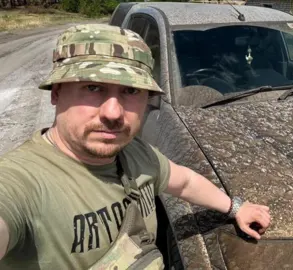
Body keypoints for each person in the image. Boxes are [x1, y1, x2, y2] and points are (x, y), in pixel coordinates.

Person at [0, 24, 271, 269]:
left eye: (130, 91)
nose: (114, 113)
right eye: (93, 87)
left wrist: (236, 208)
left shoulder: (135, 153)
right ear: (56, 92)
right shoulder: (21, 181)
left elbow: (185, 182)